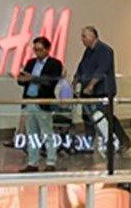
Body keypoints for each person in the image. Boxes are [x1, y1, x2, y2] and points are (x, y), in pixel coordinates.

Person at [16, 35, 65, 171]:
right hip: (29, 101)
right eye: (35, 49)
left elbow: (50, 81)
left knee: (47, 133)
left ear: (47, 49)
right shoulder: (31, 62)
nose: (37, 53)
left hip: (43, 102)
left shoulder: (54, 64)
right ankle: (33, 162)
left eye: (40, 50)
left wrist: (33, 78)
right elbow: (21, 80)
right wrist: (24, 78)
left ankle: (51, 162)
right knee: (32, 134)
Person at [74, 25, 122, 155]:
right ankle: (89, 144)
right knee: (88, 118)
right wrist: (76, 80)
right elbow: (81, 67)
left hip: (102, 91)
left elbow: (102, 69)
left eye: (84, 36)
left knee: (102, 117)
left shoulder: (105, 50)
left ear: (93, 36)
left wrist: (91, 85)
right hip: (88, 92)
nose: (82, 39)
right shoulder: (88, 52)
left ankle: (116, 142)